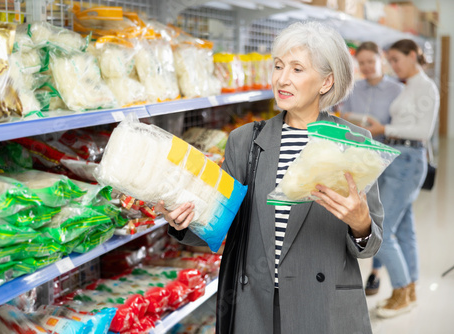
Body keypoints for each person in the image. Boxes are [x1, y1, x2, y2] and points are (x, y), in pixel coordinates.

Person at [156, 21, 383, 334]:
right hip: (256, 307)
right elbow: (217, 223)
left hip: (323, 308)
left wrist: (360, 222)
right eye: (278, 66)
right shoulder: (245, 142)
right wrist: (183, 218)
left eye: (297, 69)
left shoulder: (352, 143)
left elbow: (370, 244)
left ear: (326, 82)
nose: (282, 79)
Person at [363, 39, 439, 318]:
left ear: (412, 56)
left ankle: (400, 291)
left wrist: (384, 127)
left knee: (382, 230)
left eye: (395, 59)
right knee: (404, 228)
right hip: (398, 158)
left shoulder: (426, 87)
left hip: (408, 160)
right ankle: (410, 290)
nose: (393, 66)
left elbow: (423, 129)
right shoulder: (411, 85)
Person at [340, 41, 403, 296]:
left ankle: (376, 273)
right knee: (367, 213)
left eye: (370, 61)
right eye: (361, 63)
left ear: (381, 60)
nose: (366, 67)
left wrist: (378, 127)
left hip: (387, 161)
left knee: (381, 218)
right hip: (359, 160)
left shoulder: (397, 90)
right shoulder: (355, 88)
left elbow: (397, 126)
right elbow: (343, 116)